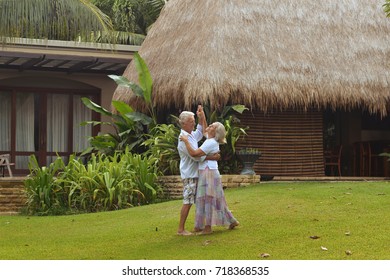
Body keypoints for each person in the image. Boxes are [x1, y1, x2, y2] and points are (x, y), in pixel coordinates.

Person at [180, 122, 239, 235]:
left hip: (208, 172)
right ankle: (231, 221)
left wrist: (186, 140)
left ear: (215, 132)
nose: (210, 126)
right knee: (215, 198)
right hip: (208, 171)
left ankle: (207, 228)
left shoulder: (210, 142)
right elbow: (204, 131)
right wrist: (201, 116)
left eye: (212, 126)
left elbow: (194, 153)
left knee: (207, 199)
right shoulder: (210, 140)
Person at [177, 105, 219, 236]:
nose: (194, 123)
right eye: (191, 121)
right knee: (188, 201)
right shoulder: (183, 139)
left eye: (194, 121)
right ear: (184, 124)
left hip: (195, 173)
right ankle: (181, 229)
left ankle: (200, 226)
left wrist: (202, 117)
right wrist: (213, 157)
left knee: (198, 200)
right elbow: (196, 157)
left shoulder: (190, 135)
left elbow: (202, 131)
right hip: (190, 174)